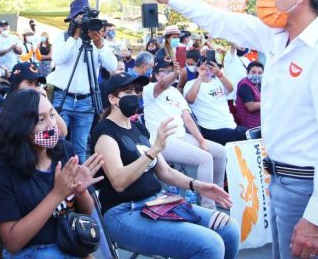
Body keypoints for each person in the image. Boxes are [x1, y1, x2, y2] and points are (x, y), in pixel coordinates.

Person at [147, 0, 318, 259]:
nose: (260, 0)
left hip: (307, 186)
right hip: (280, 179)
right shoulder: (279, 36)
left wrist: (316, 220)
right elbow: (222, 20)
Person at [92, 72, 240, 259]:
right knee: (210, 244)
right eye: (128, 91)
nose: (135, 96)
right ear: (112, 99)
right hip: (125, 213)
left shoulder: (137, 128)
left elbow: (165, 172)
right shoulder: (105, 132)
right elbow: (119, 181)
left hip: (157, 203)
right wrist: (153, 150)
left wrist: (199, 186)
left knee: (229, 229)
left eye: (137, 91)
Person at [0, 89, 103, 258]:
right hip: (32, 251)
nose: (52, 125)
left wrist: (81, 191)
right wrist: (57, 194)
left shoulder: (64, 151)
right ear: (21, 126)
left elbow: (86, 212)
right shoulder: (3, 170)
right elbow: (12, 243)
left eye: (52, 115)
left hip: (70, 243)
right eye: (41, 119)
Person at [143, 57, 227, 209]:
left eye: (171, 70)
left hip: (182, 136)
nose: (168, 74)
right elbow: (163, 84)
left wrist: (201, 140)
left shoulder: (175, 91)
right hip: (162, 140)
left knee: (220, 151)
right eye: (164, 71)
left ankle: (220, 196)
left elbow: (188, 119)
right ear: (155, 74)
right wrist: (175, 74)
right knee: (205, 159)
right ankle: (208, 205)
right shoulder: (150, 88)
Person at [47, 0, 118, 162]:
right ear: (71, 19)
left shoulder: (98, 39)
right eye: (79, 17)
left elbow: (112, 65)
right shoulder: (63, 37)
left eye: (85, 17)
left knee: (80, 147)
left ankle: (78, 183)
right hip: (62, 97)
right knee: (57, 143)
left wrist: (99, 43)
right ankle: (56, 178)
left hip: (86, 101)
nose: (83, 21)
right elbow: (58, 59)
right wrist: (74, 36)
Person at [184, 58, 248, 145]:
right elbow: (190, 100)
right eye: (204, 65)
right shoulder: (191, 83)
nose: (207, 68)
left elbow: (230, 89)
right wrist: (200, 76)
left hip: (230, 125)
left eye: (210, 65)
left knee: (252, 134)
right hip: (210, 128)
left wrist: (218, 73)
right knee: (245, 135)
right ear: (197, 67)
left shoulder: (218, 81)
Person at [6, 61, 68, 136]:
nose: (34, 88)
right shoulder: (6, 108)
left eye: (36, 84)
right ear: (16, 84)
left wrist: (46, 100)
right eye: (29, 83)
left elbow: (63, 132)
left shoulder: (37, 104)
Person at [235, 61, 264, 129]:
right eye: (253, 72)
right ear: (247, 73)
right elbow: (251, 106)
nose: (256, 75)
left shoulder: (259, 84)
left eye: (260, 73)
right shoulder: (245, 85)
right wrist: (269, 102)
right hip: (249, 126)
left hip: (259, 123)